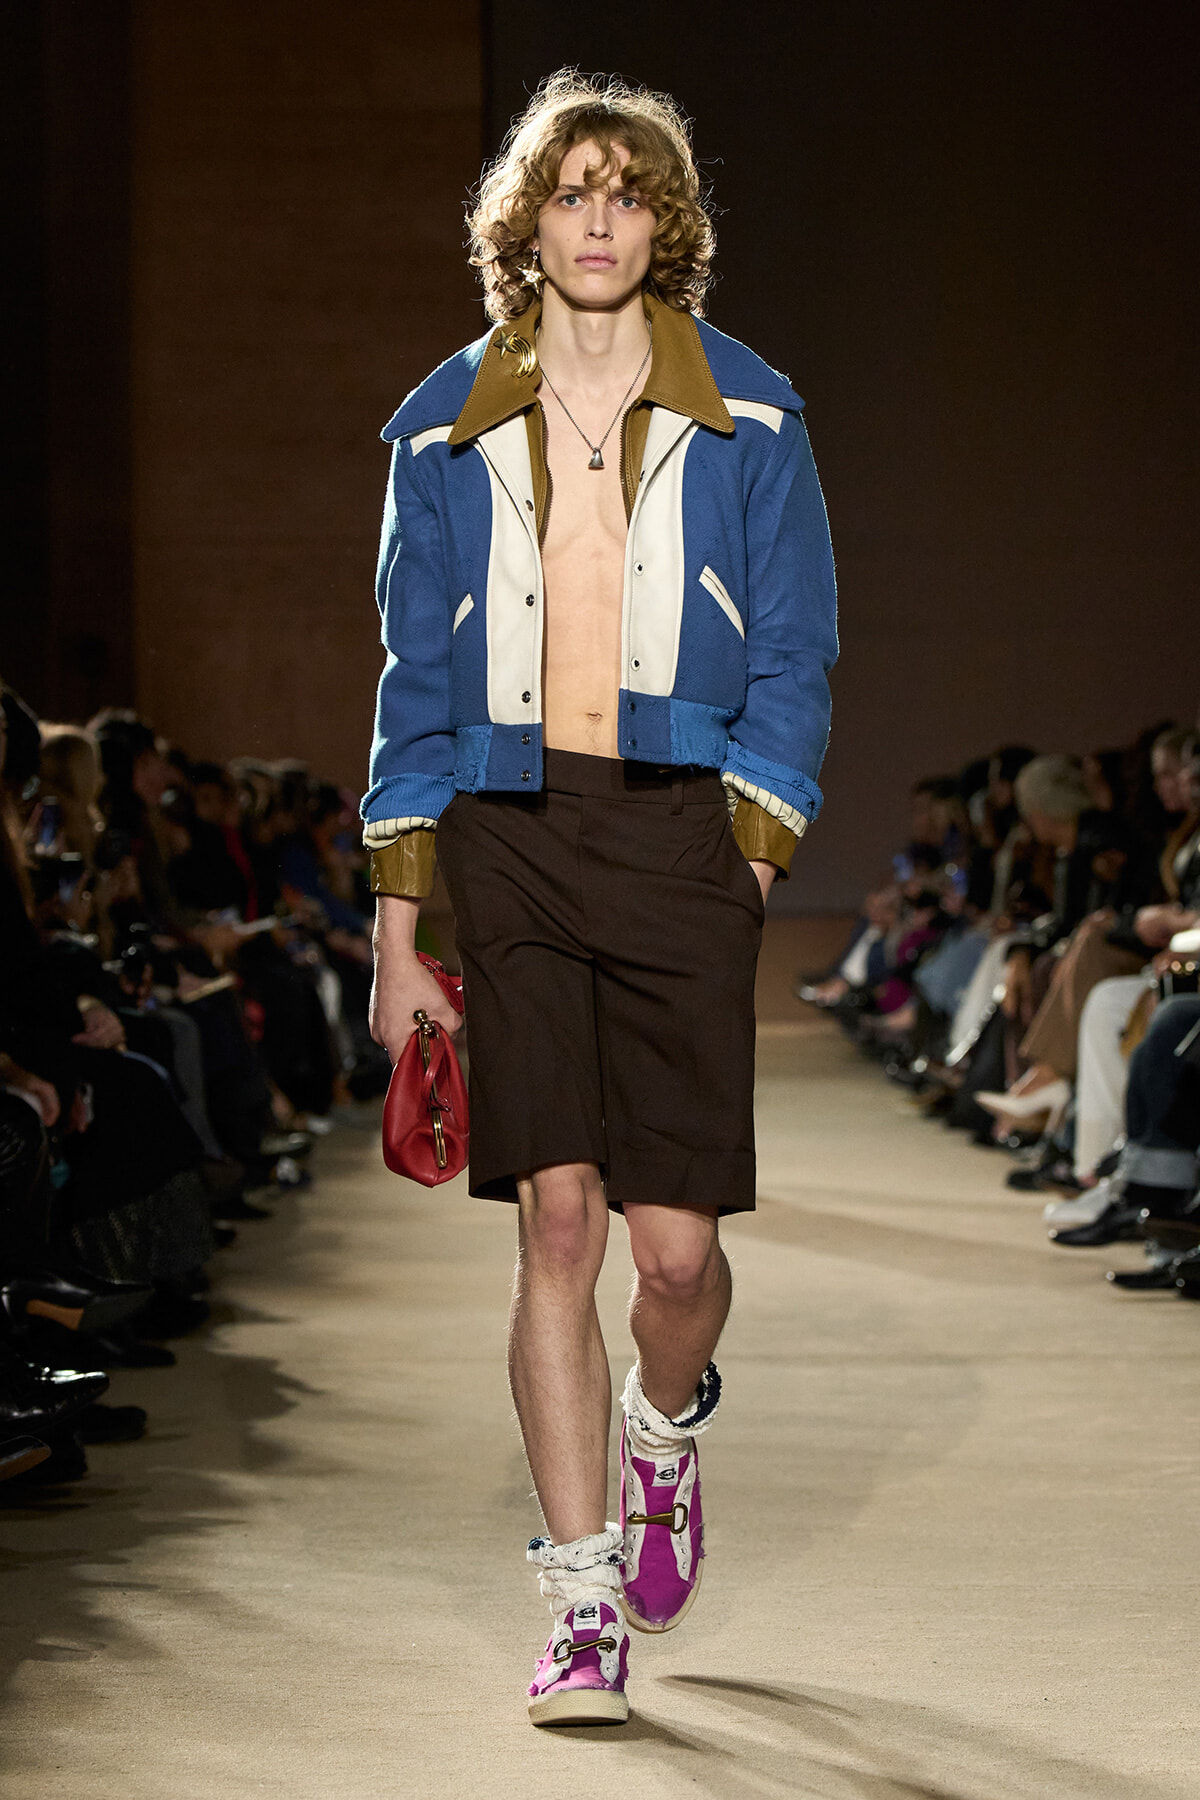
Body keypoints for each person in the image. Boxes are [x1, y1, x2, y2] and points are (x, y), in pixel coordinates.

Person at [362, 71, 837, 1726]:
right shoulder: (441, 424)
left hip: (679, 834)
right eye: (569, 191)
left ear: (666, 223)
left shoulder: (753, 413)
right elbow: (410, 680)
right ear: (527, 223)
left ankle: (666, 1425)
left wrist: (749, 856)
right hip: (506, 831)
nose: (598, 219)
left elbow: (795, 648)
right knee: (557, 1222)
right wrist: (399, 933)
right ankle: (579, 1602)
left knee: (677, 1251)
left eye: (628, 192)